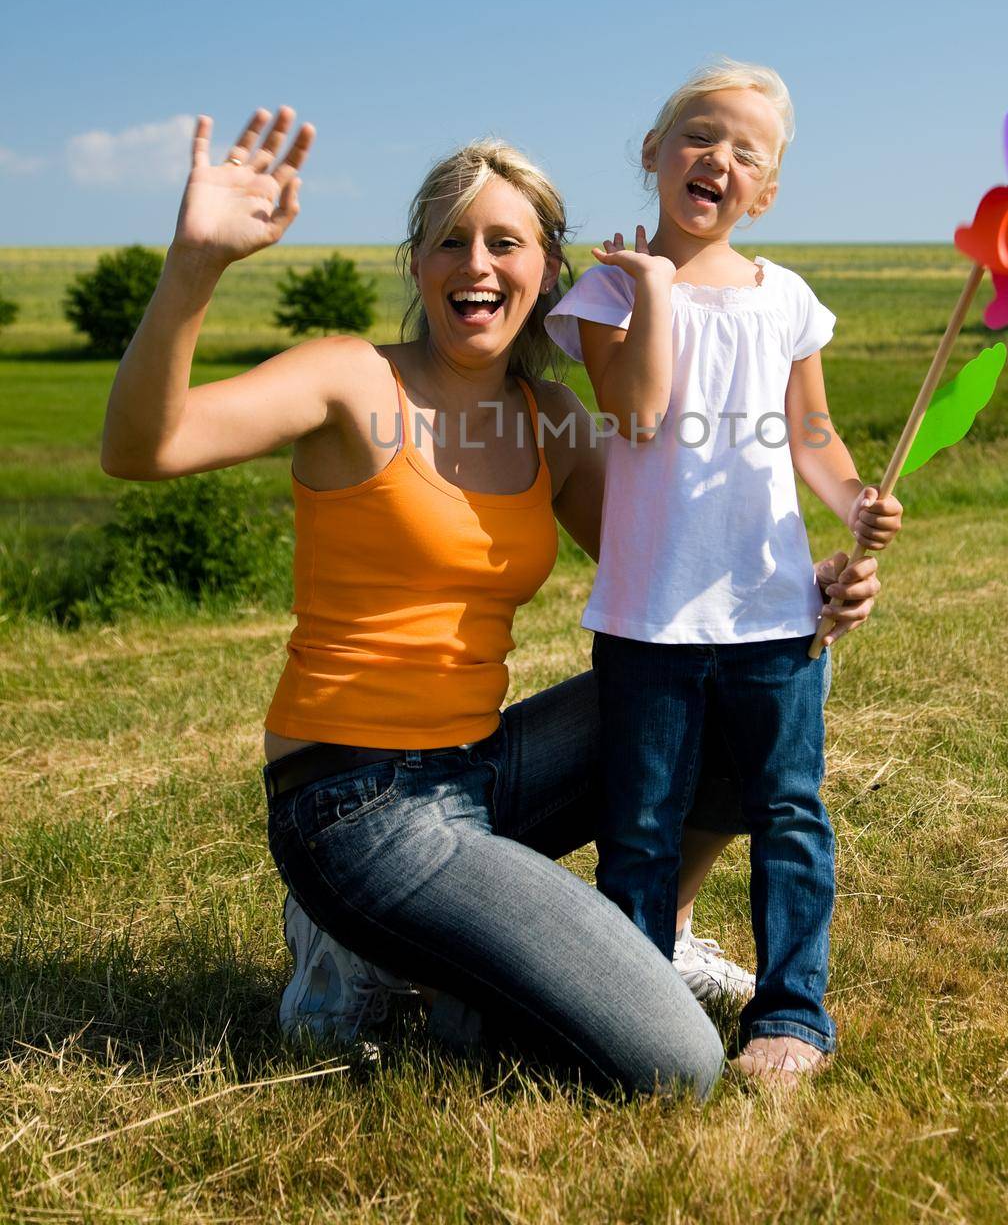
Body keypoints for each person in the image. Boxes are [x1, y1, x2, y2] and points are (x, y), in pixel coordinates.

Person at [100, 105, 883, 1101]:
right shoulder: (351, 382)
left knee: (731, 700)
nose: (478, 263)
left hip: (483, 776)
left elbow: (682, 576)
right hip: (353, 801)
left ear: (546, 270)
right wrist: (194, 267)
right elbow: (141, 448)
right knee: (676, 1062)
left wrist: (811, 583)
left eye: (505, 242)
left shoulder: (550, 419)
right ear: (418, 265)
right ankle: (363, 950)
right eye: (451, 241)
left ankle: (646, 942)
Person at [544, 59, 903, 1087]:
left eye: (750, 152)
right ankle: (636, 1011)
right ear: (654, 153)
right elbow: (641, 411)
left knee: (789, 812)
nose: (721, 159)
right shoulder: (608, 287)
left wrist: (851, 500)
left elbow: (814, 433)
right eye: (702, 134)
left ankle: (792, 1016)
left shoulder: (785, 296)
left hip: (772, 611)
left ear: (769, 191)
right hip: (650, 618)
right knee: (643, 828)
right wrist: (654, 286)